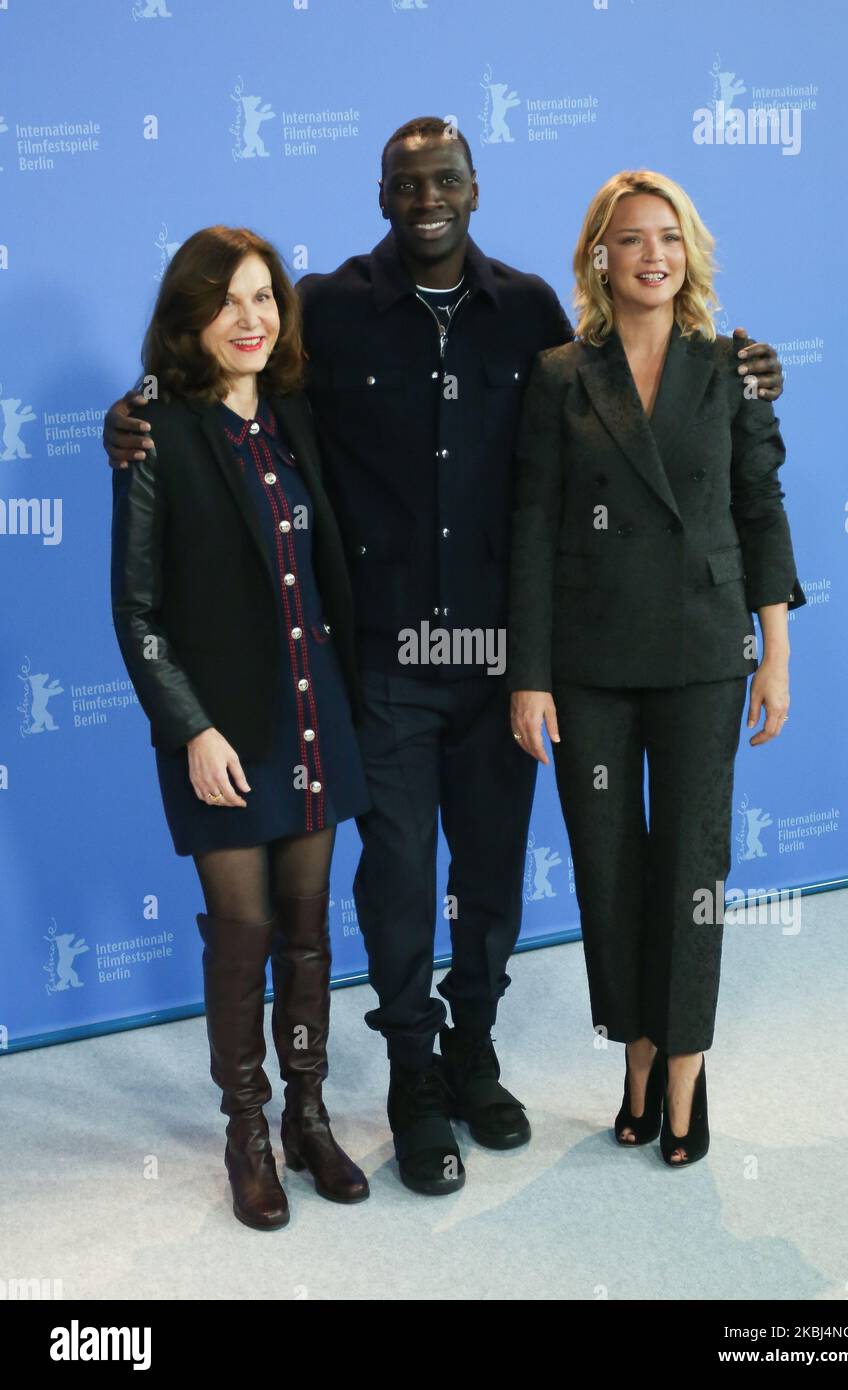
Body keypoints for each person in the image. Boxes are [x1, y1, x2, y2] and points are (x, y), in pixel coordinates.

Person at [103, 119, 785, 1196]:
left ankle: (474, 1053)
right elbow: (233, 406)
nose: (428, 196)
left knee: (493, 880)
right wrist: (134, 416)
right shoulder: (320, 310)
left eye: (447, 179)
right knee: (401, 884)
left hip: (503, 659)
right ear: (382, 195)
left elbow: (609, 410)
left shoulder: (528, 313)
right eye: (407, 182)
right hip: (377, 663)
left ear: (477, 189)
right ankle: (414, 1076)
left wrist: (745, 365)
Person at [507, 170, 805, 1167]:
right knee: (608, 868)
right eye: (630, 239)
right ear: (600, 255)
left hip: (705, 654)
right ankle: (633, 1051)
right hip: (589, 664)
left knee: (691, 871)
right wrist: (528, 676)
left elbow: (761, 510)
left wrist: (775, 655)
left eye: (667, 238)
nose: (652, 255)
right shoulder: (559, 375)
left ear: (690, 252)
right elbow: (535, 531)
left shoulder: (731, 367)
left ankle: (684, 1069)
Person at [110, 226, 370, 1229]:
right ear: (190, 318)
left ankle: (310, 1113)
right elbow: (136, 613)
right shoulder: (152, 431)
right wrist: (192, 730)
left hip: (314, 717)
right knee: (245, 934)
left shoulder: (297, 416)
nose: (251, 319)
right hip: (221, 735)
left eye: (264, 297)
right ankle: (248, 1129)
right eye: (227, 302)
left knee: (307, 936)